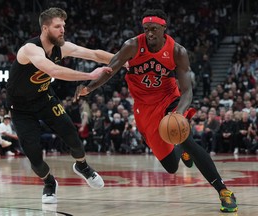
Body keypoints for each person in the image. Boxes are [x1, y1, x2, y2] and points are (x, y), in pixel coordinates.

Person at [74, 9, 238, 213]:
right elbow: (110, 69)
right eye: (146, 29)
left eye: (154, 29)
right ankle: (181, 149)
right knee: (171, 167)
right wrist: (89, 87)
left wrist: (178, 113)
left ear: (164, 28)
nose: (149, 33)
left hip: (170, 99)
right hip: (144, 107)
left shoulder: (178, 51)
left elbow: (187, 91)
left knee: (187, 139)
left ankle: (223, 191)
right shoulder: (132, 45)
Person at [6, 7, 114, 204]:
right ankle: (49, 182)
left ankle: (82, 166)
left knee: (74, 139)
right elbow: (54, 70)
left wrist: (124, 62)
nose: (63, 30)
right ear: (45, 28)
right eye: (58, 26)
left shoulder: (61, 47)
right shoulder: (30, 49)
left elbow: (95, 54)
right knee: (35, 159)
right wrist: (90, 76)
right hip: (21, 109)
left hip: (44, 98)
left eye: (63, 25)